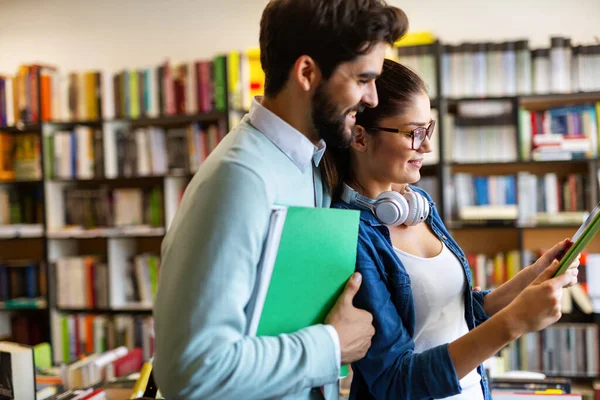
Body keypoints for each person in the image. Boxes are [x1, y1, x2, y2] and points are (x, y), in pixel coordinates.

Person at [152, 1, 409, 399]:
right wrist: (330, 346)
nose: (372, 98)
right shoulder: (239, 179)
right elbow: (191, 370)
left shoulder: (311, 165)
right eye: (363, 79)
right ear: (306, 72)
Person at [323, 59, 580, 400]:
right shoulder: (348, 233)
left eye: (428, 130)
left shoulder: (419, 205)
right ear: (359, 137)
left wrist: (531, 277)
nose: (427, 146)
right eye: (414, 132)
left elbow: (453, 315)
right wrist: (514, 322)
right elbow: (395, 381)